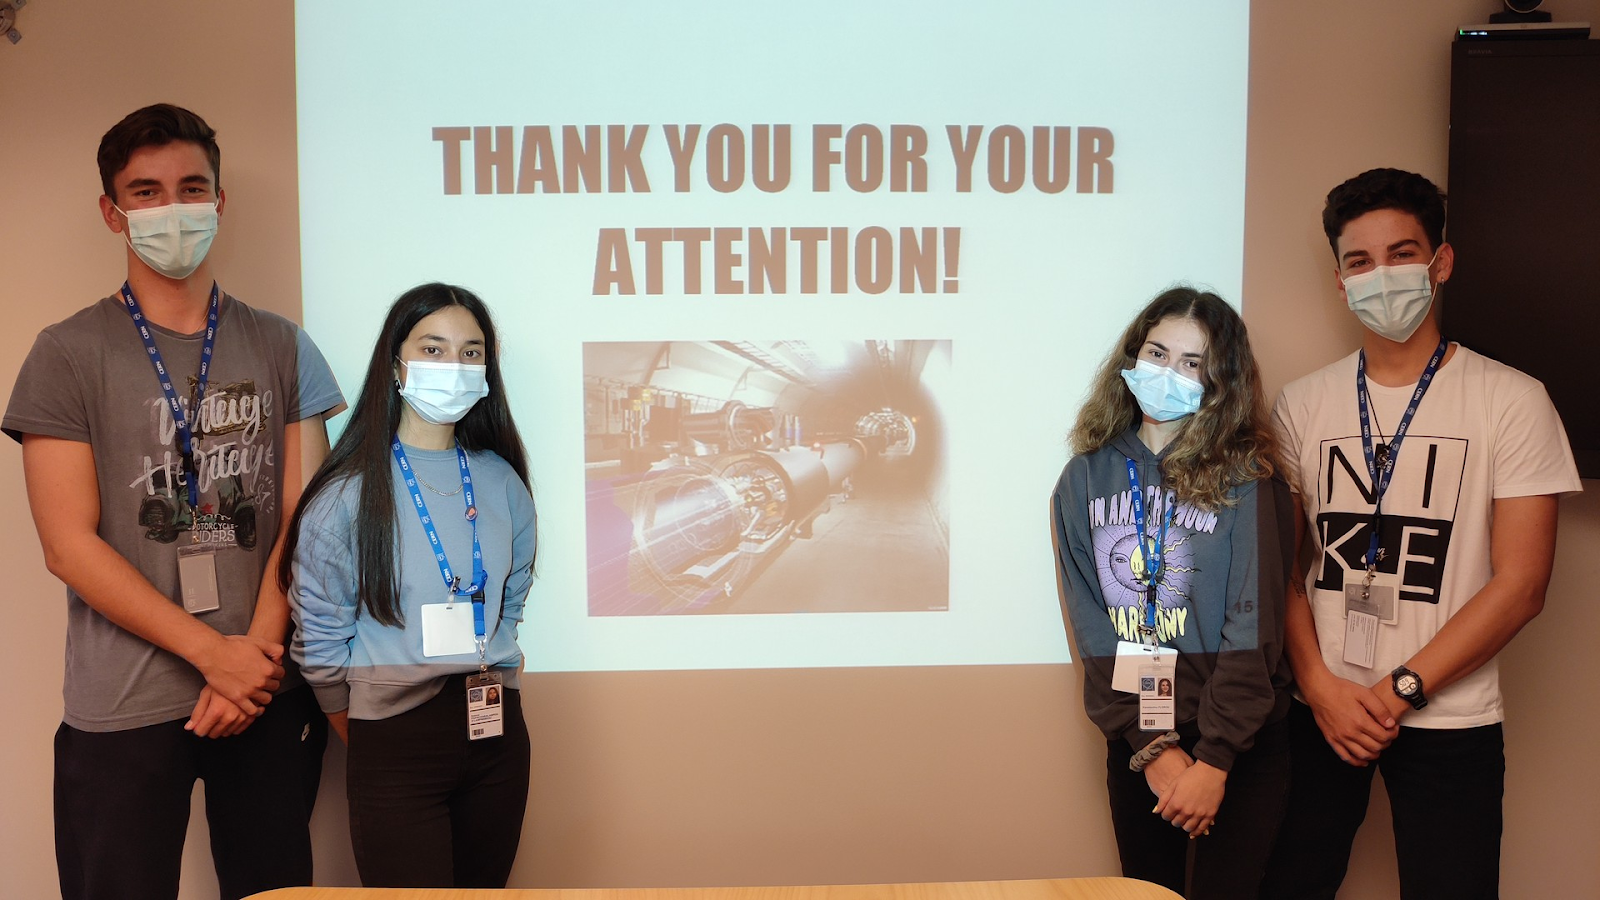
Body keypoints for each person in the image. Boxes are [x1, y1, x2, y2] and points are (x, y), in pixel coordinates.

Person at [2, 103, 344, 900]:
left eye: (192, 188)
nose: (172, 209)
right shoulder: (66, 353)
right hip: (122, 703)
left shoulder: (284, 345)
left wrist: (251, 660)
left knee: (275, 891)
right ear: (112, 211)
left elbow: (308, 519)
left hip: (264, 691)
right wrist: (210, 654)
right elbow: (68, 545)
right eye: (146, 191)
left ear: (220, 202)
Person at [1258, 168, 1582, 900]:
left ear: (1441, 263)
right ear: (1340, 281)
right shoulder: (1302, 404)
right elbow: (1278, 567)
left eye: (1403, 254)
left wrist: (1402, 690)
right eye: (1360, 262)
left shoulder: (1513, 400)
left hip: (1451, 714)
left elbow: (1523, 583)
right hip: (1323, 711)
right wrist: (1319, 685)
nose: (1382, 276)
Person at [284, 282, 537, 887]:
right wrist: (367, 731)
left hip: (495, 727)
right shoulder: (345, 495)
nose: (454, 367)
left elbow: (512, 601)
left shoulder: (502, 480)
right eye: (432, 348)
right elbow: (319, 643)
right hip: (391, 737)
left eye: (471, 353)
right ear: (394, 365)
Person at [1052, 286, 1294, 899]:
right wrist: (1152, 748)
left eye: (1193, 363)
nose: (1169, 373)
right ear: (1131, 358)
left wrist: (1213, 761)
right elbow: (1090, 622)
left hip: (1236, 745)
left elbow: (1255, 630)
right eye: (1158, 353)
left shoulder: (1250, 481)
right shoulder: (1084, 476)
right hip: (1140, 738)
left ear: (1220, 381)